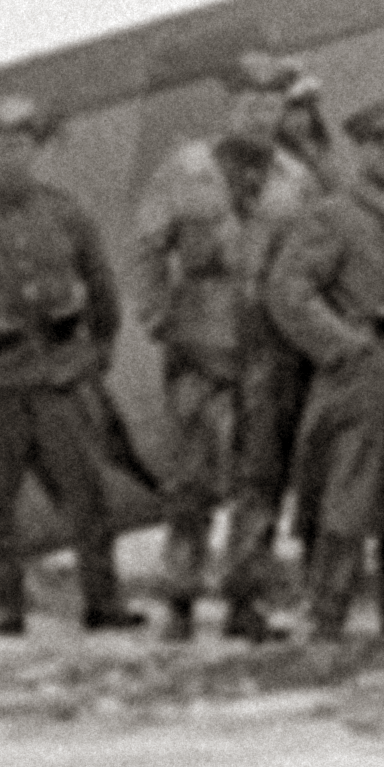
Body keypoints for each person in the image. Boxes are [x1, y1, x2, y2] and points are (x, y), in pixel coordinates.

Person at [0, 93, 129, 636]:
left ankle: (103, 605)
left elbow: (105, 297)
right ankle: (7, 611)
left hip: (59, 384)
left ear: (35, 150)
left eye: (19, 145)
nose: (8, 157)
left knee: (88, 499)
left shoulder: (67, 214)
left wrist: (92, 359)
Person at [129, 56, 316, 640]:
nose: (260, 116)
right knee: (191, 481)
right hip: (199, 346)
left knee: (260, 478)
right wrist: (160, 318)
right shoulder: (186, 169)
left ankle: (245, 601)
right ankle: (180, 601)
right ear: (229, 106)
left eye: (271, 106)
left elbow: (307, 260)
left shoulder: (294, 179)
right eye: (249, 105)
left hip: (268, 345)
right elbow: (147, 249)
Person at [265, 94, 384, 640]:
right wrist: (342, 347)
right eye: (378, 144)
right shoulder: (334, 214)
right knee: (347, 486)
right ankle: (328, 606)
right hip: (361, 366)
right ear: (360, 150)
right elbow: (289, 291)